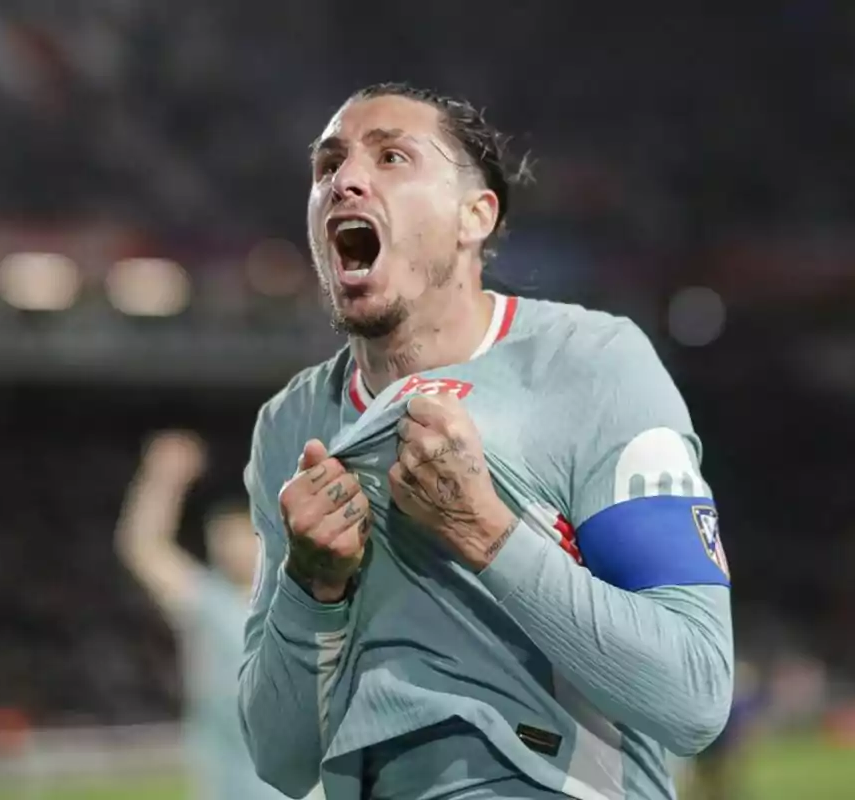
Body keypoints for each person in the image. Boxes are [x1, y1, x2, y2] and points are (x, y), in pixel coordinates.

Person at [239, 83, 734, 800]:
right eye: (328, 165)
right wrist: (310, 588)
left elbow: (694, 694)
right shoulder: (290, 425)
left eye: (392, 156)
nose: (345, 179)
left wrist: (488, 531)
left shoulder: (592, 367)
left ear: (476, 215)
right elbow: (280, 760)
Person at [115, 430, 321, 800]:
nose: (234, 548)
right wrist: (163, 480)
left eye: (246, 535)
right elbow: (143, 547)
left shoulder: (305, 597)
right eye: (223, 537)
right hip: (228, 781)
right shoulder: (208, 601)